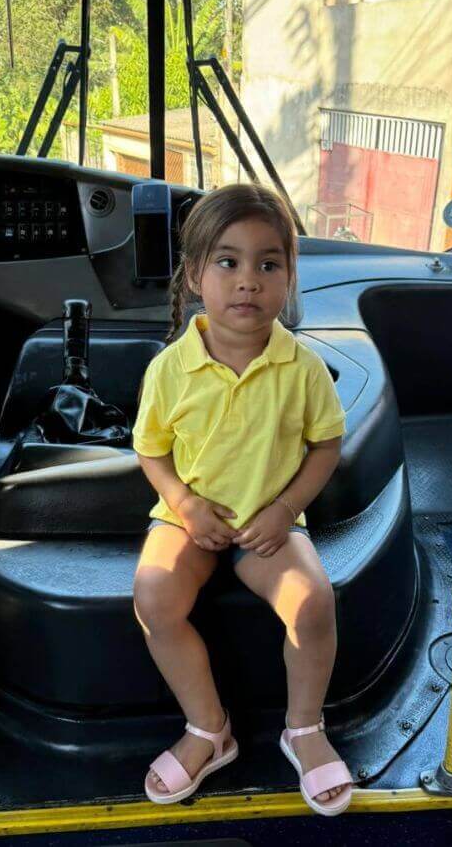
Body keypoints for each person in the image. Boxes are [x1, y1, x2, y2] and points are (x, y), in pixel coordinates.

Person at [130, 183, 353, 816]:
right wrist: (185, 504)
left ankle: (304, 728)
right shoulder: (170, 368)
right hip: (188, 516)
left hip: (270, 523)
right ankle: (208, 727)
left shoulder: (302, 368)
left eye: (268, 264)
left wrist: (284, 510)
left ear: (289, 279)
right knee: (154, 597)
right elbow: (151, 450)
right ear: (196, 275)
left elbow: (325, 446)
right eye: (228, 262)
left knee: (312, 603)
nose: (248, 281)